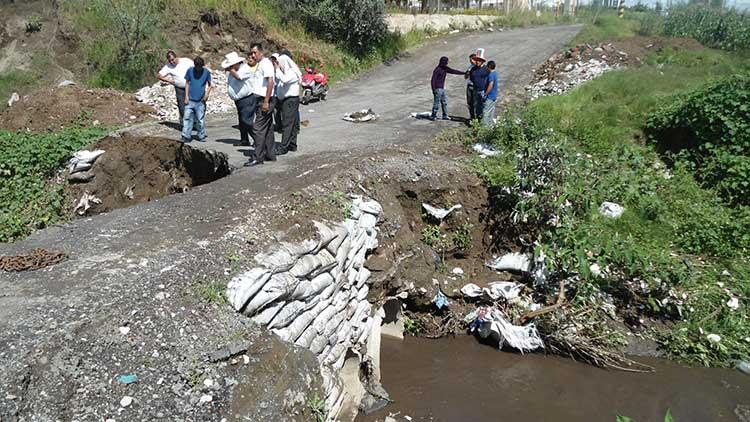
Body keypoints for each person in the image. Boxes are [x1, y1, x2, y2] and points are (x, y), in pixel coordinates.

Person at [246, 43, 276, 166]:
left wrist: (266, 101)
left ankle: (258, 157)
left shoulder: (266, 64)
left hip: (265, 99)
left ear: (261, 52)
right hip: (260, 99)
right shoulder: (260, 64)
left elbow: (270, 82)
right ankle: (270, 154)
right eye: (251, 53)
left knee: (258, 128)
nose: (253, 55)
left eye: (255, 53)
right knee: (268, 128)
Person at [223, 52, 256, 147]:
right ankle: (244, 139)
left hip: (247, 98)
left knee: (247, 120)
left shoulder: (245, 69)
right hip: (239, 99)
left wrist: (231, 70)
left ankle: (258, 139)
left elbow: (239, 77)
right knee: (242, 121)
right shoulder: (233, 71)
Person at [273, 52, 302, 155]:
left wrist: (276, 69)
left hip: (290, 100)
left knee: (287, 123)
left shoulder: (292, 72)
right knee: (292, 123)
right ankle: (292, 144)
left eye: (279, 63)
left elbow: (284, 80)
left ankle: (283, 147)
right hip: (286, 100)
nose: (278, 64)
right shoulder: (284, 72)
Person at [157, 51, 194, 123]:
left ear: (176, 57)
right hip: (179, 88)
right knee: (182, 106)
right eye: (170, 60)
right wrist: (169, 81)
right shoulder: (168, 66)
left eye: (173, 59)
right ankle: (186, 122)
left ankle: (194, 122)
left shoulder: (186, 61)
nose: (171, 62)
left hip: (190, 86)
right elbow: (159, 75)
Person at [181, 56, 212, 142]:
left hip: (200, 101)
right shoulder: (190, 70)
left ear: (202, 66)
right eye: (197, 67)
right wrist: (186, 96)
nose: (198, 69)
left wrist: (207, 95)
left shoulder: (206, 72)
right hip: (190, 100)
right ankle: (186, 136)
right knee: (187, 118)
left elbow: (210, 85)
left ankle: (201, 135)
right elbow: (187, 83)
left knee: (200, 120)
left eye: (200, 67)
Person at [430, 56, 465, 121]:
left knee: (444, 102)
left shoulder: (445, 68)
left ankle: (445, 115)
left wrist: (464, 73)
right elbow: (433, 80)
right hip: (438, 89)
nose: (447, 63)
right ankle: (433, 116)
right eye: (447, 62)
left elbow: (453, 71)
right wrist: (433, 89)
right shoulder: (438, 69)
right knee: (437, 103)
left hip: (442, 89)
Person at [469, 48, 490, 123]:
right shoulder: (473, 69)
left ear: (482, 61)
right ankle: (478, 122)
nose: (477, 62)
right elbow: (471, 78)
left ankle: (484, 123)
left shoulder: (486, 70)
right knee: (477, 108)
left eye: (479, 60)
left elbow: (490, 81)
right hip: (475, 90)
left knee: (484, 107)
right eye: (476, 60)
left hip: (483, 91)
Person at [482, 61, 499, 127]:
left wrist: (485, 94)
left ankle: (485, 128)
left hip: (490, 96)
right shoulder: (494, 73)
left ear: (489, 66)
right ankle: (490, 126)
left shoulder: (491, 75)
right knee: (491, 111)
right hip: (494, 96)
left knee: (486, 112)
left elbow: (491, 85)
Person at [465, 53, 478, 120]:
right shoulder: (470, 67)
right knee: (470, 103)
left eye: (472, 60)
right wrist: (467, 73)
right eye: (470, 60)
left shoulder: (478, 68)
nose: (471, 61)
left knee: (476, 103)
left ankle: (478, 117)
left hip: (475, 87)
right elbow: (465, 77)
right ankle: (472, 117)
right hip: (469, 86)